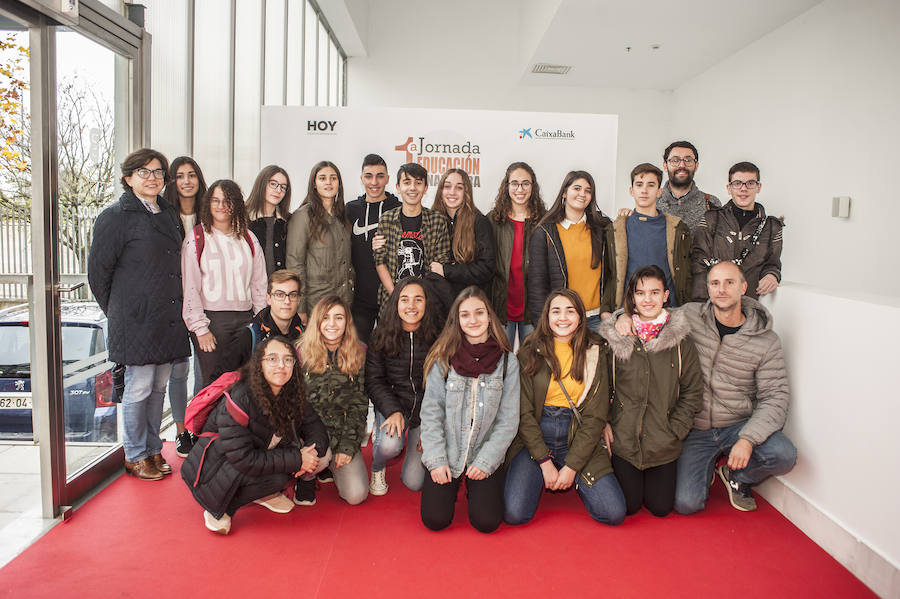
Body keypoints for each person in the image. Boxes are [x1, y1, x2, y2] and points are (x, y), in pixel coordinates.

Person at [616, 261, 796, 513]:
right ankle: (705, 466)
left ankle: (738, 477)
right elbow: (649, 309)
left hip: (738, 424)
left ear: (743, 287)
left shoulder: (766, 340)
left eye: (729, 282)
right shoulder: (690, 315)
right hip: (695, 428)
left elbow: (775, 397)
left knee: (783, 454)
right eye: (715, 283)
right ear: (708, 288)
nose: (721, 289)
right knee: (686, 503)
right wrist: (622, 316)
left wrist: (747, 439)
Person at [88, 148, 190, 480]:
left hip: (167, 316)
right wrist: (121, 311)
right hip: (136, 320)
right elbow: (98, 275)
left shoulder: (167, 212)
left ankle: (152, 448)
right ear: (129, 178)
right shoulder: (114, 217)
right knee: (139, 386)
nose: (152, 178)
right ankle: (134, 453)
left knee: (158, 386)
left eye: (158, 172)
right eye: (144, 172)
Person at [180, 337, 329, 535]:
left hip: (253, 457)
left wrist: (311, 453)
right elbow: (242, 458)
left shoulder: (291, 391)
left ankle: (261, 494)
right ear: (259, 363)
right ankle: (221, 508)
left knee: (310, 462)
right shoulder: (240, 397)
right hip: (214, 469)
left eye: (287, 359)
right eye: (272, 359)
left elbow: (315, 425)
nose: (281, 366)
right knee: (283, 471)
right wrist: (298, 459)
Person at [504, 289, 626, 526]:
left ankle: (578, 479)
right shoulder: (529, 351)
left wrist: (571, 467)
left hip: (577, 432)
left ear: (580, 316)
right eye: (556, 311)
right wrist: (544, 462)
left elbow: (595, 416)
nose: (563, 318)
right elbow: (524, 414)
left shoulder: (596, 350)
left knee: (614, 512)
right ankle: (539, 474)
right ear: (546, 317)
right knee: (515, 514)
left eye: (570, 311)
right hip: (537, 434)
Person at [598, 266, 703, 517]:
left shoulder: (682, 342)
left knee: (660, 507)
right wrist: (605, 422)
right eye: (641, 293)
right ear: (632, 298)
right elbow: (600, 387)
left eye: (655, 292)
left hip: (663, 440)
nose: (648, 299)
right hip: (625, 441)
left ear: (666, 296)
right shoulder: (616, 338)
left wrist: (675, 428)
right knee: (630, 506)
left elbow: (692, 391)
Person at [419, 287, 519, 533]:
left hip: (483, 451)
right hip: (449, 451)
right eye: (465, 315)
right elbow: (431, 414)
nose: (473, 320)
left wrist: (486, 462)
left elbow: (508, 421)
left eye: (479, 313)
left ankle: (478, 486)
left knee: (487, 522)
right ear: (457, 320)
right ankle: (451, 485)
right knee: (435, 519)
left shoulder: (508, 362)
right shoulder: (443, 358)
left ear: (489, 317)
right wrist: (437, 461)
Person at [181, 179, 267, 386]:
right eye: (215, 200)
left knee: (245, 383)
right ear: (207, 204)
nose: (221, 206)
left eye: (227, 201)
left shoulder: (249, 238)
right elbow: (190, 288)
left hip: (245, 320)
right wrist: (200, 330)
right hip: (212, 323)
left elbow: (259, 284)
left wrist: (261, 321)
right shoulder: (196, 238)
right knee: (213, 386)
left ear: (236, 204)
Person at [365, 277, 441, 495]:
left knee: (414, 482)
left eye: (418, 299)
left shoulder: (438, 335)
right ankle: (378, 465)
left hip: (424, 412)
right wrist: (392, 410)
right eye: (405, 299)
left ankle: (409, 441)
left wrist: (431, 424)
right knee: (389, 446)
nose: (411, 306)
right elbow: (374, 380)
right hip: (393, 403)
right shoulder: (380, 335)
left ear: (427, 303)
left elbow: (443, 384)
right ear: (395, 303)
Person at [297, 296, 369, 506]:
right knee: (319, 457)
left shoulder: (359, 352)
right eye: (326, 317)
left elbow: (359, 404)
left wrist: (347, 446)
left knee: (356, 495)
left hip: (340, 433)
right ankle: (307, 478)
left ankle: (330, 463)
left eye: (339, 318)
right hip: (310, 435)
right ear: (317, 321)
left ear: (347, 322)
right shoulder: (299, 353)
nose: (332, 324)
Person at [528, 170, 615, 332]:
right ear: (564, 193)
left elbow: (613, 273)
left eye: (588, 191)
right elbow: (537, 285)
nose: (582, 194)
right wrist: (542, 326)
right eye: (577, 188)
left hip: (597, 320)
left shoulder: (603, 228)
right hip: (563, 321)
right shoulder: (545, 232)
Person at [163, 156, 208, 457]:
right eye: (180, 176)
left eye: (192, 174)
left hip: (204, 303)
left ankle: (197, 426)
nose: (187, 181)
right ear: (172, 181)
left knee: (204, 372)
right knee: (179, 371)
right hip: (171, 304)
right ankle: (181, 432)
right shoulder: (164, 217)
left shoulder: (210, 216)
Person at [691, 161, 783, 301]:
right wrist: (701, 306)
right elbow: (698, 263)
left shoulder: (771, 227)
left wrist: (771, 275)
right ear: (729, 188)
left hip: (749, 306)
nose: (743, 189)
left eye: (750, 183)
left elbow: (773, 263)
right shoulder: (711, 219)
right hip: (712, 304)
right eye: (737, 183)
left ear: (759, 187)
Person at [611, 163, 691, 308]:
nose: (644, 190)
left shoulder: (677, 228)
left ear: (659, 191)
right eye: (639, 185)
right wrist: (607, 309)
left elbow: (686, 271)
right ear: (631, 190)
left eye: (651, 185)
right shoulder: (618, 228)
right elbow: (610, 273)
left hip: (669, 309)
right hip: (630, 310)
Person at [373, 162, 451, 308]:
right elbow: (379, 261)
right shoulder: (387, 219)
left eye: (418, 183)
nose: (412, 188)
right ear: (398, 187)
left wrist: (419, 300)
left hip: (426, 301)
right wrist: (396, 295)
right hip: (391, 300)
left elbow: (440, 264)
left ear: (426, 188)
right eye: (407, 182)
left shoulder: (437, 221)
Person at [286, 161, 353, 327]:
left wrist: (351, 280)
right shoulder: (303, 216)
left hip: (342, 302)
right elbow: (295, 263)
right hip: (315, 304)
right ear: (314, 184)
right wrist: (300, 307)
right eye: (322, 178)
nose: (328, 182)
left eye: (333, 178)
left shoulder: (342, 218)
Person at [487, 162, 546, 349]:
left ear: (533, 186)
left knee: (532, 365)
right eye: (514, 183)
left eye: (525, 183)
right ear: (507, 186)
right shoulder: (493, 220)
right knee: (500, 365)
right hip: (501, 307)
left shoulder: (544, 220)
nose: (520, 189)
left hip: (533, 309)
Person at [345, 154, 400, 343]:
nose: (374, 182)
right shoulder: (350, 210)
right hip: (360, 299)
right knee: (357, 353)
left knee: (390, 351)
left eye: (380, 176)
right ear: (361, 178)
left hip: (391, 296)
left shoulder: (399, 209)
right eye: (368, 176)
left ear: (388, 178)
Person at [215, 269, 305, 376]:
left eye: (292, 295)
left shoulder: (304, 335)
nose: (287, 301)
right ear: (268, 299)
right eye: (279, 295)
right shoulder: (250, 336)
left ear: (299, 300)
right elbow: (219, 379)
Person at [430, 168, 496, 300]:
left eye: (459, 187)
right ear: (441, 191)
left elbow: (486, 268)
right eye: (447, 186)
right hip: (437, 302)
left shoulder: (479, 222)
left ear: (466, 192)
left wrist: (446, 270)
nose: (452, 192)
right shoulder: (431, 220)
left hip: (469, 302)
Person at [657, 140, 721, 231]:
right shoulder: (652, 202)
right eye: (675, 160)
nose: (682, 165)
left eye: (688, 160)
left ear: (696, 166)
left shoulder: (711, 203)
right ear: (665, 165)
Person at [246, 165, 292, 276]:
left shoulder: (288, 221)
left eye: (283, 187)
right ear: (262, 184)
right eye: (273, 184)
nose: (278, 190)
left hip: (280, 290)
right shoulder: (243, 217)